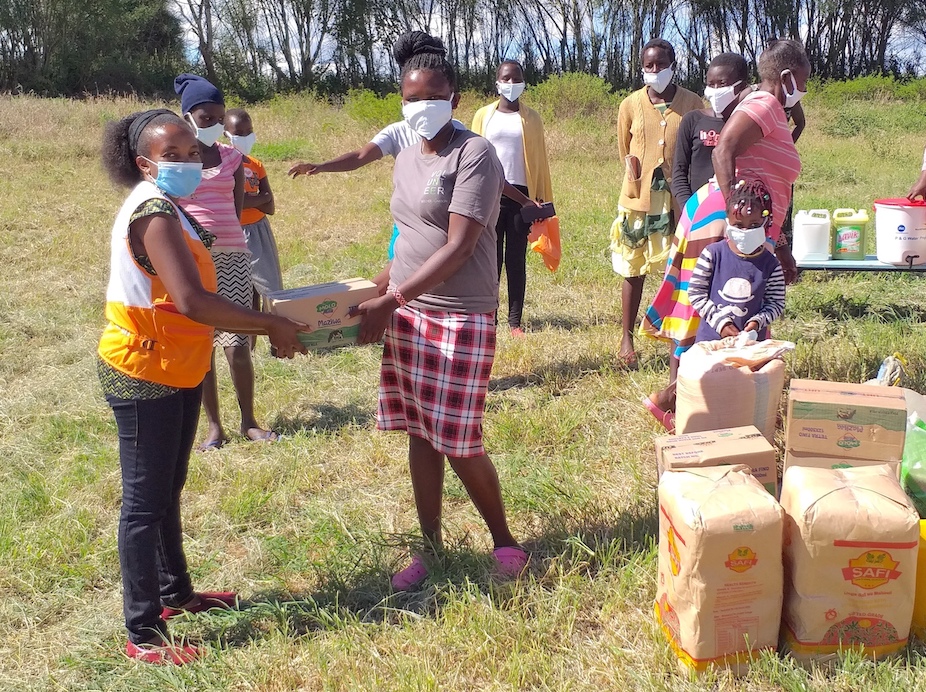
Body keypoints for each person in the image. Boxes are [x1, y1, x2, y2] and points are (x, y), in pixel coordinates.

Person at [99, 109, 307, 664]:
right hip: (145, 369)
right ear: (146, 164)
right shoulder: (154, 213)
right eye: (175, 156)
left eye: (194, 152)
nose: (190, 161)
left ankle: (177, 594)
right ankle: (143, 634)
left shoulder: (173, 208)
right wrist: (271, 323)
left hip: (177, 364)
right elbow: (192, 301)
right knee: (144, 504)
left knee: (168, 487)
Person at [354, 31, 527, 590]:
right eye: (409, 98)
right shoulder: (404, 156)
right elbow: (407, 238)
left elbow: (458, 246)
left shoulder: (475, 154)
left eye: (431, 97)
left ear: (454, 99)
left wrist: (392, 298)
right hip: (406, 312)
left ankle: (505, 543)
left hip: (458, 313)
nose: (419, 107)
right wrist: (368, 290)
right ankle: (429, 548)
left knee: (458, 437)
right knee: (420, 436)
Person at [641, 39, 808, 431]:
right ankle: (687, 402)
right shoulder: (764, 104)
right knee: (717, 315)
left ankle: (703, 404)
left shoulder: (769, 109)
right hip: (727, 220)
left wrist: (777, 242)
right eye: (802, 80)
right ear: (786, 77)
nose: (804, 88)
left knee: (735, 314)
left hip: (745, 222)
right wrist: (738, 218)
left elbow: (766, 174)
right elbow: (723, 152)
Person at [173, 74, 277, 449]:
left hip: (232, 257)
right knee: (203, 344)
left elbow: (235, 210)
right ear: (186, 116)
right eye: (205, 117)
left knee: (236, 343)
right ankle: (214, 426)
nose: (214, 124)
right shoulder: (178, 160)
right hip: (194, 260)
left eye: (218, 117)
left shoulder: (233, 157)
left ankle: (249, 420)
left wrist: (225, 240)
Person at [612, 38, 704, 368]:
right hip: (639, 197)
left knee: (677, 269)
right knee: (633, 267)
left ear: (673, 65)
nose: (655, 71)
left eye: (661, 65)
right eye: (648, 66)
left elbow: (700, 148)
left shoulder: (693, 103)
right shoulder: (630, 105)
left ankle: (676, 341)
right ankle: (627, 340)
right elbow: (625, 148)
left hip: (678, 199)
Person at [471, 60, 554, 336]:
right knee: (490, 259)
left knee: (516, 259)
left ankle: (515, 321)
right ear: (496, 81)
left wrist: (541, 198)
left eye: (516, 79)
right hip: (489, 194)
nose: (510, 84)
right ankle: (489, 316)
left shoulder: (532, 118)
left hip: (522, 197)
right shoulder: (483, 116)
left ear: (523, 82)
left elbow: (540, 161)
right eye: (506, 79)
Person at [688, 179, 785, 343]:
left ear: (766, 222)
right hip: (711, 342)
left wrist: (757, 322)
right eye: (739, 225)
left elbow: (776, 303)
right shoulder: (712, 254)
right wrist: (721, 324)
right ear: (728, 222)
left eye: (754, 224)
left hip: (750, 343)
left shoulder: (771, 264)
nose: (746, 230)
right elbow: (696, 293)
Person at [671, 53, 750, 212]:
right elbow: (679, 173)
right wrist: (691, 210)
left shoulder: (749, 122)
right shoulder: (692, 120)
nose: (715, 90)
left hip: (739, 213)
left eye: (722, 84)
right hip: (698, 210)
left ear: (741, 86)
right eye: (710, 84)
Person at [224, 108, 284, 312]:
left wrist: (248, 199)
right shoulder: (222, 166)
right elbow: (232, 204)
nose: (246, 137)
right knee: (243, 299)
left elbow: (270, 205)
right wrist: (258, 198)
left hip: (259, 231)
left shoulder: (256, 165)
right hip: (233, 232)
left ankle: (278, 342)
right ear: (226, 134)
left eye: (249, 131)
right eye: (239, 133)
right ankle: (247, 343)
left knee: (271, 291)